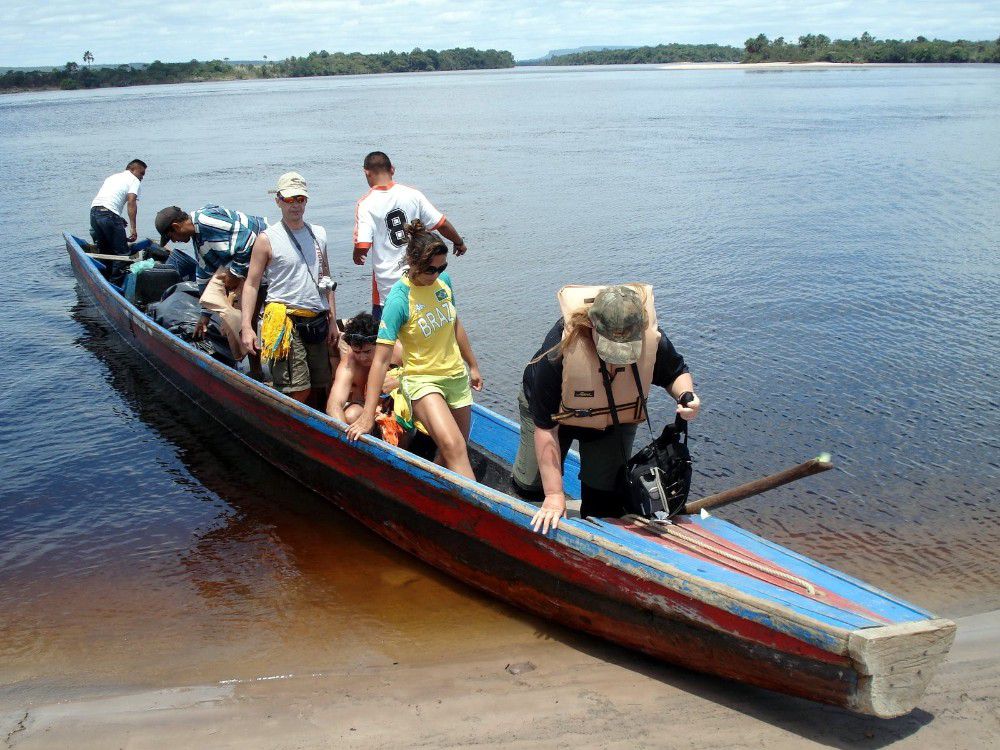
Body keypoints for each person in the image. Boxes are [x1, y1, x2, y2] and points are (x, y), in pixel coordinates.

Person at [514, 284, 702, 534]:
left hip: (612, 419)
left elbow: (676, 372)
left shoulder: (652, 339)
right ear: (592, 325)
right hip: (552, 417)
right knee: (529, 488)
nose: (617, 357)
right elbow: (545, 430)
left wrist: (686, 396)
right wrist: (554, 495)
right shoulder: (558, 350)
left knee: (603, 505)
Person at [346, 220, 483, 480]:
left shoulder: (443, 283)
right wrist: (367, 415)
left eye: (442, 267)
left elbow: (455, 323)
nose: (436, 274)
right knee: (454, 446)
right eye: (430, 269)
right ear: (412, 262)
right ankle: (481, 505)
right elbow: (380, 361)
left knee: (452, 451)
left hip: (455, 377)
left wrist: (473, 365)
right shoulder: (399, 299)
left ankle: (436, 493)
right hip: (422, 381)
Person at [240, 172, 339, 403]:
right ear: (278, 201)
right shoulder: (267, 239)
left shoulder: (319, 234)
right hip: (286, 322)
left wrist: (333, 320)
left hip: (316, 319)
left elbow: (326, 278)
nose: (295, 205)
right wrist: (246, 326)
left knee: (321, 384)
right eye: (289, 199)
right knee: (298, 389)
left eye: (300, 199)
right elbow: (252, 284)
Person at [352, 152, 468, 317]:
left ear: (366, 172)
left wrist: (357, 256)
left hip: (388, 287)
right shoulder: (413, 194)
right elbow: (441, 224)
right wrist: (459, 242)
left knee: (386, 330)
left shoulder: (366, 204)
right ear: (392, 169)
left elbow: (363, 245)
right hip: (421, 277)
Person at [154, 204, 268, 365]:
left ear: (176, 226)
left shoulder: (206, 221)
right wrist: (205, 315)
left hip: (268, 256)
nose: (174, 241)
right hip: (250, 262)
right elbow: (204, 274)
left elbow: (249, 239)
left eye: (171, 236)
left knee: (246, 320)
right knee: (235, 319)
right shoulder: (198, 239)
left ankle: (256, 371)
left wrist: (234, 274)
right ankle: (253, 366)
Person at [326, 312, 403, 425]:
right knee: (351, 415)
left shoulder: (398, 351)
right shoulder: (350, 360)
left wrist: (399, 382)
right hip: (363, 407)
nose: (362, 358)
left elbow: (425, 378)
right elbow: (333, 405)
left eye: (367, 351)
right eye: (357, 352)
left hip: (395, 408)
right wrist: (343, 431)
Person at [90, 159, 147, 256]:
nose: (142, 177)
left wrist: (118, 219)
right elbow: (131, 202)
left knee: (104, 251)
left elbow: (106, 203)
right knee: (122, 253)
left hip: (94, 213)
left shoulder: (112, 177)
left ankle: (104, 264)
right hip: (109, 215)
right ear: (132, 169)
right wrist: (133, 228)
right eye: (141, 173)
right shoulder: (134, 180)